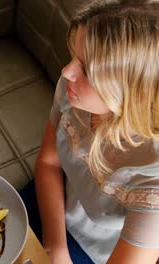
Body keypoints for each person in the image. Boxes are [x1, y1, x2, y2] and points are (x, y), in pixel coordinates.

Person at [31, 0, 159, 263]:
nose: (67, 71)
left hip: (96, 252)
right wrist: (55, 245)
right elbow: (48, 161)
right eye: (74, 57)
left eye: (87, 69)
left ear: (132, 91)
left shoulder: (153, 176)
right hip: (49, 202)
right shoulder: (74, 92)